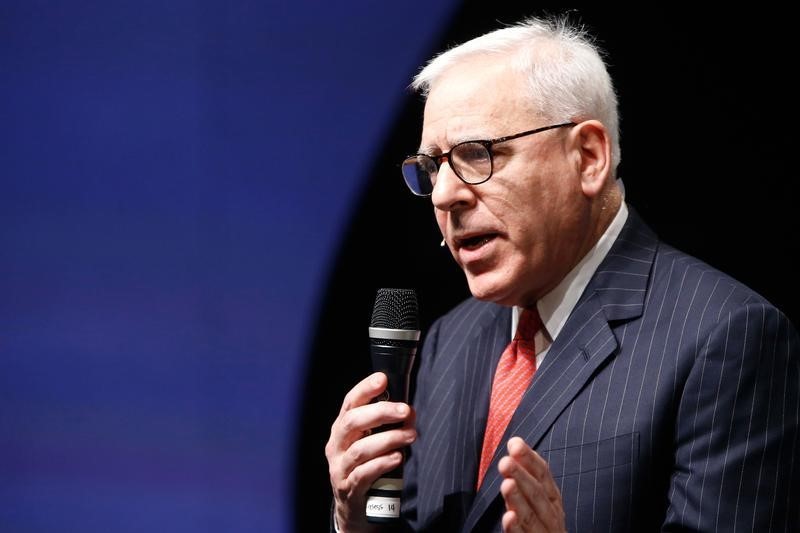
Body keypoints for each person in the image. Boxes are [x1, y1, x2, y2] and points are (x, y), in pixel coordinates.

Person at [325, 14, 800, 532]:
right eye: (434, 167)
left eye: (477, 155)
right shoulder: (449, 340)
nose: (444, 194)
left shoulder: (725, 336)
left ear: (588, 157)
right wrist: (356, 521)